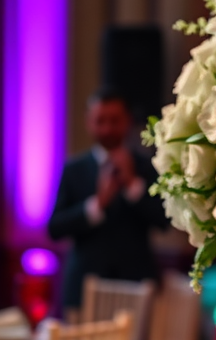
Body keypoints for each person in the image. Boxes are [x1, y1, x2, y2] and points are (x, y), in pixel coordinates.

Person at [48, 89, 167, 310]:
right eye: (100, 121)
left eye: (114, 121)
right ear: (89, 122)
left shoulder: (147, 167)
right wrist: (97, 205)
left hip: (136, 288)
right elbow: (55, 228)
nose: (107, 128)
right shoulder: (74, 169)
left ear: (127, 122)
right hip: (83, 288)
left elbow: (164, 220)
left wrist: (133, 185)